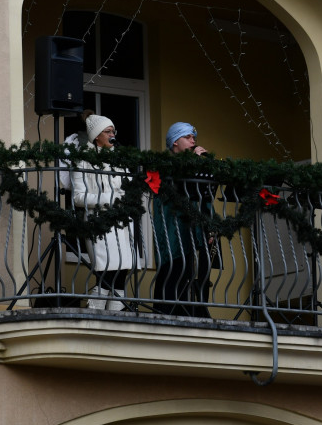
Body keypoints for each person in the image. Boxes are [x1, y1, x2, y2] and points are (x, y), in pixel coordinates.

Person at [70, 114, 142, 311]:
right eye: (108, 131)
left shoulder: (119, 159)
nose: (112, 135)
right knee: (107, 269)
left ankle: (117, 311)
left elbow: (127, 187)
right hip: (99, 221)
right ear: (96, 136)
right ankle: (95, 310)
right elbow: (78, 197)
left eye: (113, 131)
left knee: (122, 269)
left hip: (122, 221)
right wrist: (109, 199)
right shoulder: (83, 160)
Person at [151, 122, 214, 317]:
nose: (193, 140)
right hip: (172, 228)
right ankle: (164, 314)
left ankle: (188, 313)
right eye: (188, 137)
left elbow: (205, 198)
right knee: (172, 270)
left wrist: (209, 227)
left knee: (190, 274)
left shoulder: (196, 166)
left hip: (192, 229)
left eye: (194, 137)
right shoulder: (164, 166)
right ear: (175, 143)